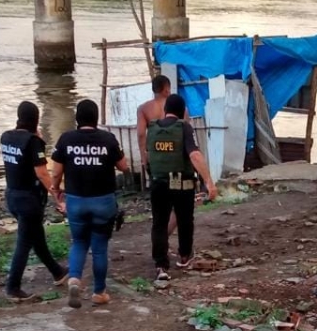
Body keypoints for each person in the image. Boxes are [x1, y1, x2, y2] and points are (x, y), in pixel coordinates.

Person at [50, 99, 129, 308]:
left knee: (79, 242)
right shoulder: (108, 139)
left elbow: (56, 172)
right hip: (103, 202)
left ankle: (75, 278)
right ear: (96, 119)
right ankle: (99, 292)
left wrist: (55, 190)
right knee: (100, 248)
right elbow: (124, 167)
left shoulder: (66, 139)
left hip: (76, 201)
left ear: (77, 119)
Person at [0, 101, 68, 302]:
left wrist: (35, 139)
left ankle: (57, 272)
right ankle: (13, 287)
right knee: (24, 242)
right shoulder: (33, 142)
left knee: (36, 237)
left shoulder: (6, 137)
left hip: (12, 195)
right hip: (28, 200)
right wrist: (56, 193)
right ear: (36, 120)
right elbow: (41, 173)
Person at [147, 94, 218, 282]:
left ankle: (161, 266)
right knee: (185, 221)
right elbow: (194, 155)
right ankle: (184, 257)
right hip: (182, 185)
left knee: (159, 224)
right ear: (182, 112)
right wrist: (208, 181)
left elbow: (148, 156)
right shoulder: (184, 128)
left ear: (165, 110)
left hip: (158, 183)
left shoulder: (152, 129)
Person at [137, 74, 183, 237]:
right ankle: (165, 235)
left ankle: (160, 239)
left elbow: (141, 134)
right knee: (179, 203)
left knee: (160, 204)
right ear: (166, 89)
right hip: (176, 164)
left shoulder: (144, 109)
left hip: (156, 164)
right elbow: (186, 132)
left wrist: (144, 158)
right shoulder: (178, 107)